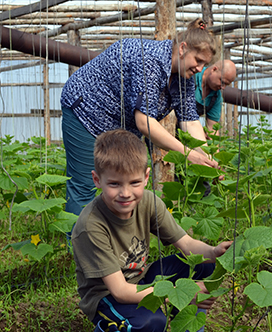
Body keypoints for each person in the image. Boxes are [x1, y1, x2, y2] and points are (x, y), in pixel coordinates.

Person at [72, 129, 232, 332]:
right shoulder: (91, 226)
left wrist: (214, 251)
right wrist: (181, 294)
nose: (125, 193)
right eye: (114, 184)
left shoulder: (148, 202)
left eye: (134, 183)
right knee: (149, 325)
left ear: (146, 177)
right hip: (107, 297)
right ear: (96, 179)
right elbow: (121, 291)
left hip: (141, 279)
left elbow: (187, 244)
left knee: (205, 267)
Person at [61, 19, 218, 216]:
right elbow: (144, 122)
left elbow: (190, 120)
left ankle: (108, 241)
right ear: (183, 48)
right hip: (85, 110)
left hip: (119, 123)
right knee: (85, 186)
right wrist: (188, 154)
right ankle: (78, 245)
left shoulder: (183, 77)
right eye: (198, 60)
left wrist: (207, 158)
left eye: (205, 64)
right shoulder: (151, 60)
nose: (200, 68)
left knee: (119, 184)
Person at [194, 59, 237, 132]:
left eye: (226, 84)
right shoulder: (192, 75)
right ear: (214, 69)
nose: (223, 87)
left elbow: (212, 128)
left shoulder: (216, 96)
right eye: (222, 82)